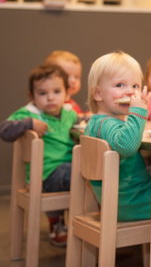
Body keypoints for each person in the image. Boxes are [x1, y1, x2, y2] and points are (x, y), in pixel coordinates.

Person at [84, 51, 151, 221]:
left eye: (135, 86)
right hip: (131, 202)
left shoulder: (95, 123)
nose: (130, 92)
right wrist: (138, 111)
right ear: (98, 94)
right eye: (120, 85)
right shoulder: (107, 124)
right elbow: (127, 147)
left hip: (116, 200)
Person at [0, 64, 77, 247]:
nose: (50, 97)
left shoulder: (69, 113)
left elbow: (79, 122)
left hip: (67, 170)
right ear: (32, 96)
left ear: (67, 93)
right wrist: (28, 123)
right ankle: (89, 223)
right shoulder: (29, 113)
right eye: (42, 93)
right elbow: (4, 130)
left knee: (87, 169)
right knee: (83, 173)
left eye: (57, 91)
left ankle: (75, 225)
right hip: (46, 175)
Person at [44, 50, 86, 117]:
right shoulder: (53, 106)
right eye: (67, 76)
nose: (73, 81)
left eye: (76, 77)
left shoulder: (72, 103)